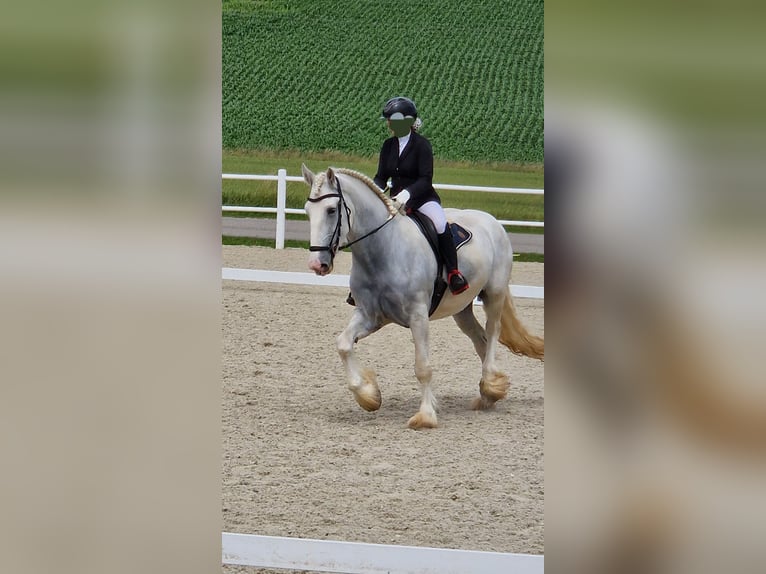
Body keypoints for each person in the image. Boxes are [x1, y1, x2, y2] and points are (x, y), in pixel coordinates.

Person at [373, 96, 469, 295]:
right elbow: (381, 177)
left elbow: (425, 179)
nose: (389, 124)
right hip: (395, 201)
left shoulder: (422, 145)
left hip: (422, 199)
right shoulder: (387, 146)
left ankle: (452, 273)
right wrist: (372, 191)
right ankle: (370, 277)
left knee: (441, 224)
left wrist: (406, 194)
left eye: (393, 119)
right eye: (388, 120)